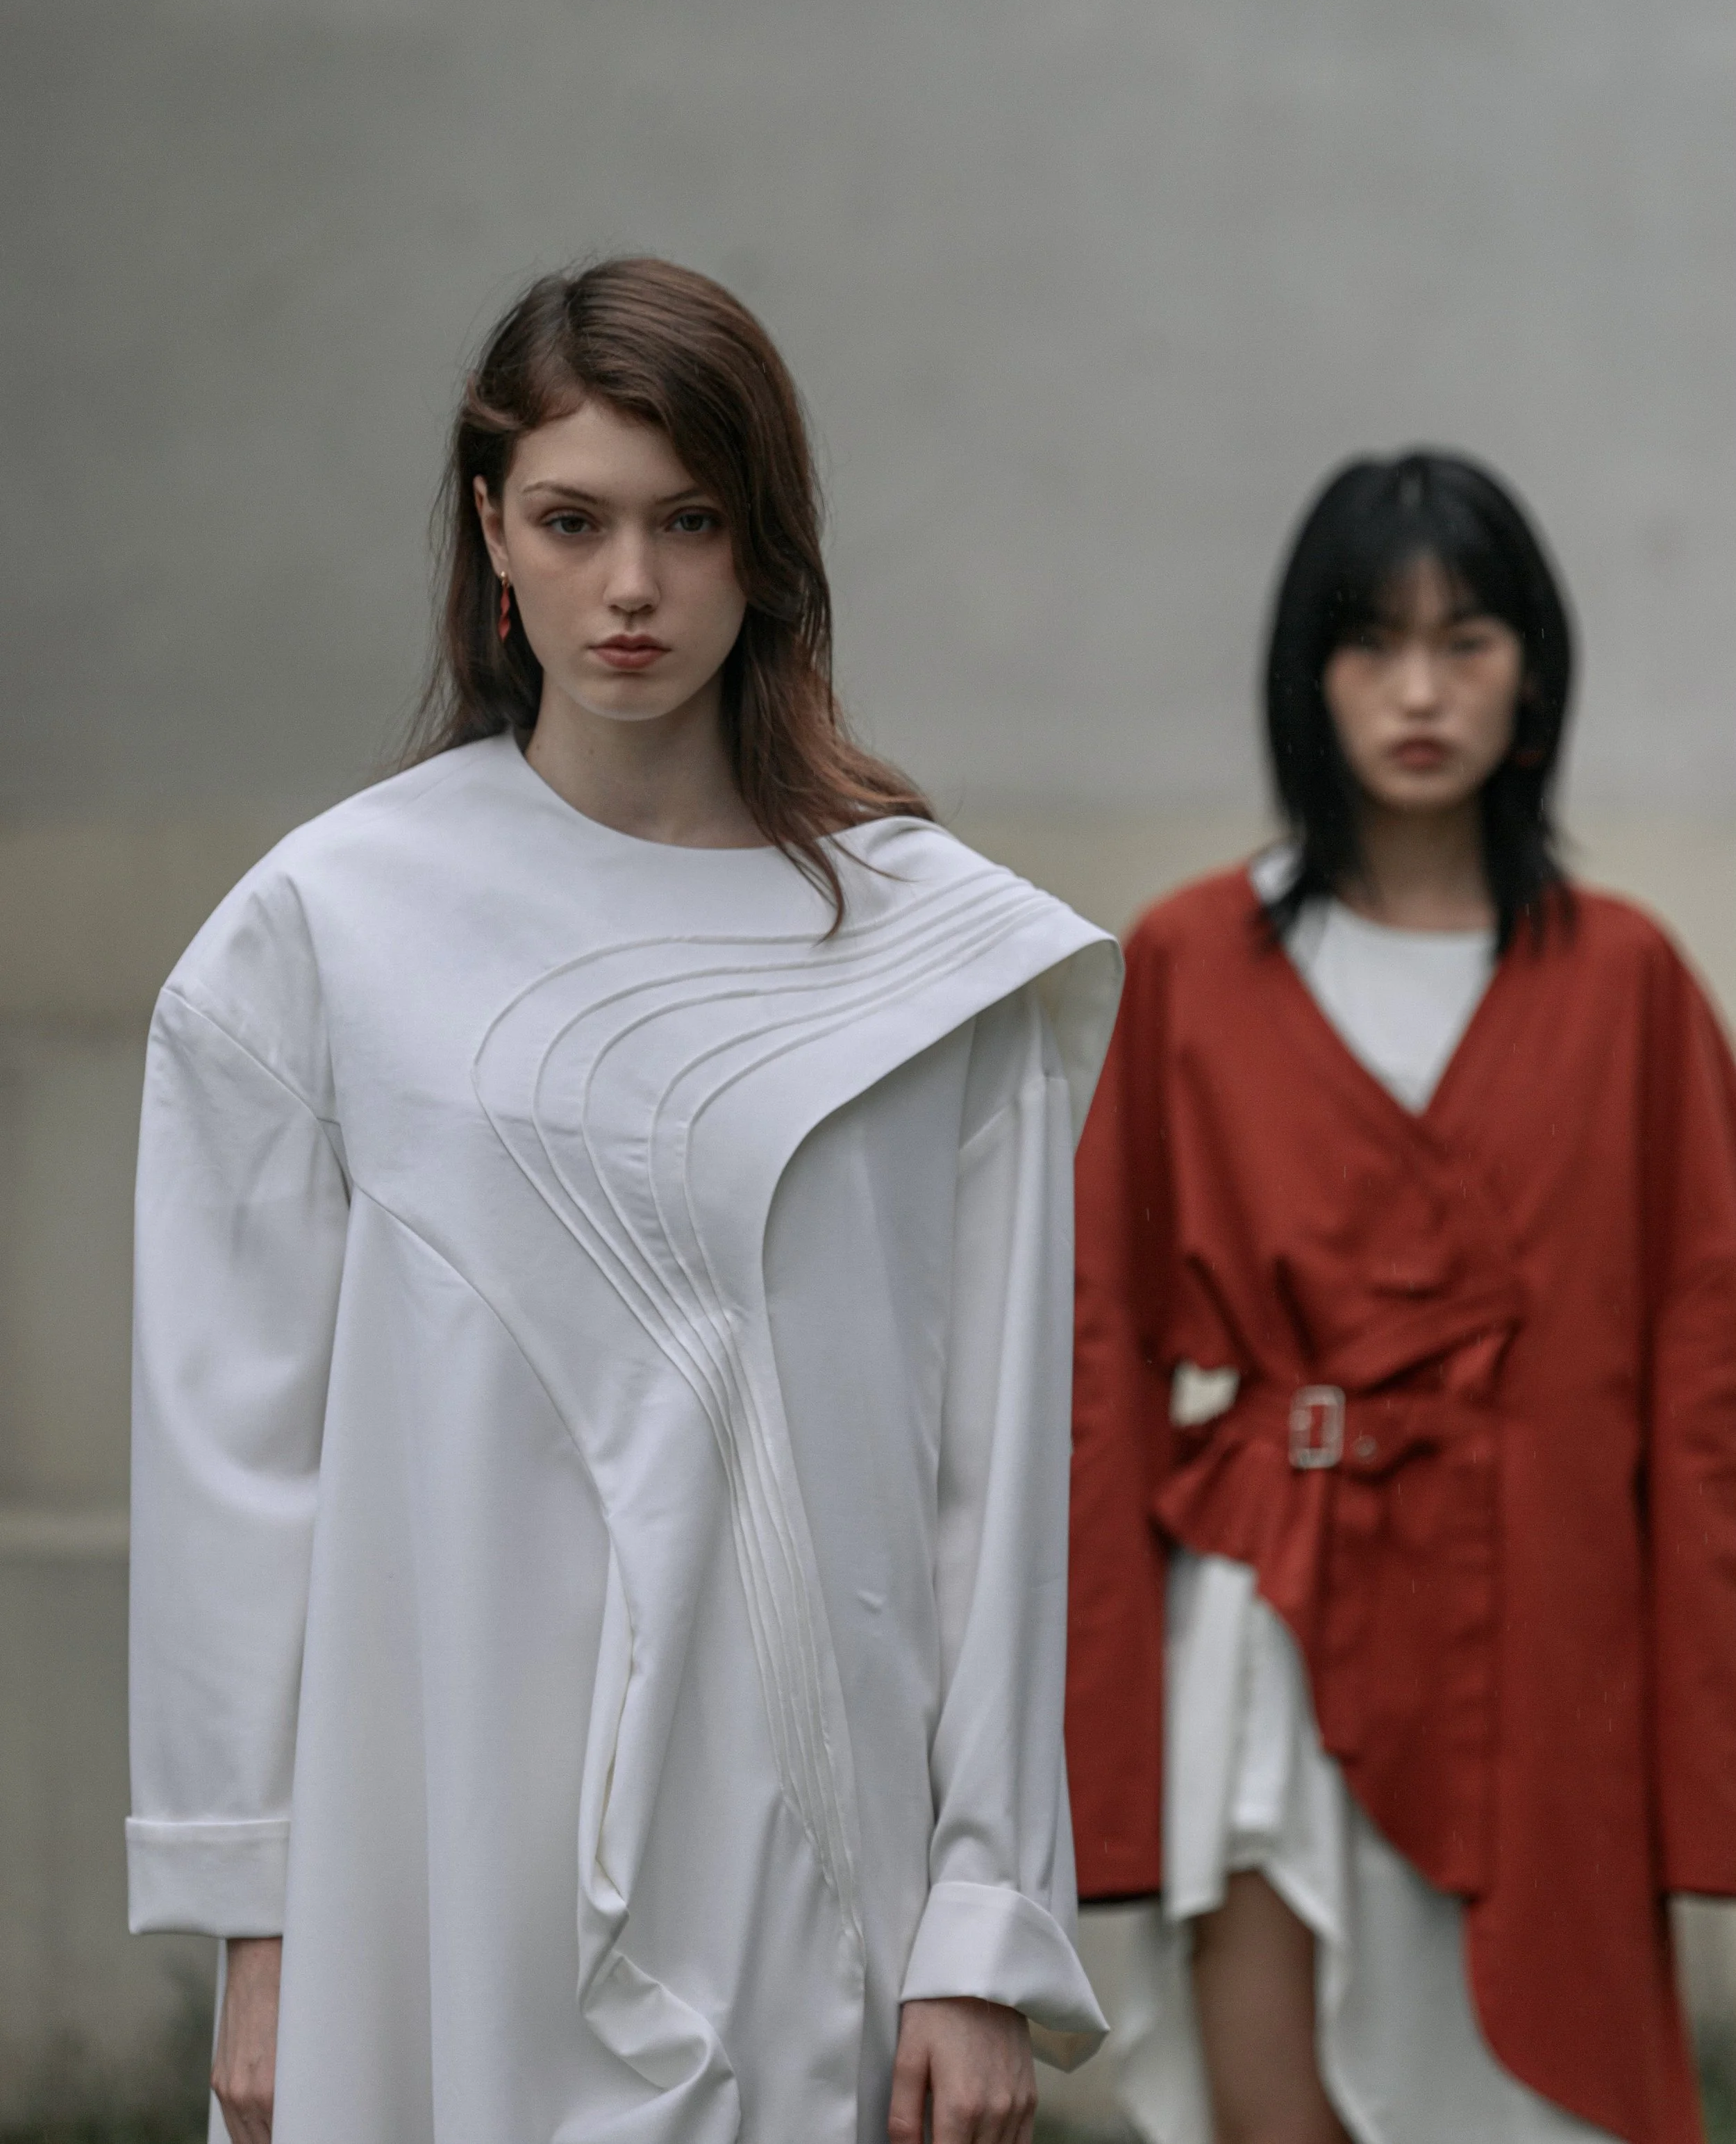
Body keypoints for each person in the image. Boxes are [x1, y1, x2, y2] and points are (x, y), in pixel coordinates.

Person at [127, 258, 1120, 2144]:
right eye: (574, 522)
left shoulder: (932, 961)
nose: (633, 585)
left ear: (768, 545)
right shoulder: (322, 934)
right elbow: (232, 1459)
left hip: (807, 1858)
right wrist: (258, 1925)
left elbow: (995, 1476)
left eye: (688, 520)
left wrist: (976, 1929)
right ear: (490, 533)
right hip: (418, 1850)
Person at [1065, 451, 1736, 2144]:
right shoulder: (1189, 965)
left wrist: (1700, 1740)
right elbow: (1094, 1352)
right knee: (1268, 2116)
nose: (1420, 690)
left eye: (1466, 638)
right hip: (1271, 1612)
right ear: (1305, 673)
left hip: (1546, 1630)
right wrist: (1078, 1733)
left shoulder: (1631, 986)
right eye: (1370, 643)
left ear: (1535, 670)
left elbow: (1703, 1388)